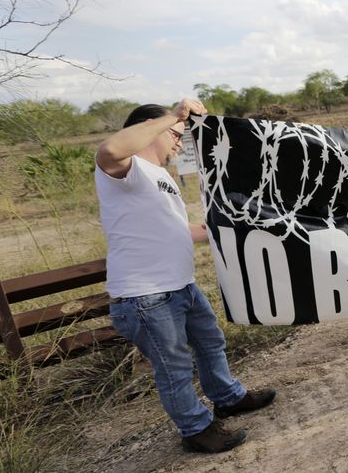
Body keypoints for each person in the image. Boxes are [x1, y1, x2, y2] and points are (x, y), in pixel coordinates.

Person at [95, 99, 276, 453]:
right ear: (153, 126)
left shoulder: (160, 175)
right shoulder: (123, 168)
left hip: (180, 287)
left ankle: (227, 397)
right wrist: (172, 115)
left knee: (211, 344)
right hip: (146, 296)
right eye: (177, 134)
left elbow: (179, 230)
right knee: (174, 367)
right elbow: (110, 148)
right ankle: (196, 429)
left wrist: (229, 227)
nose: (180, 142)